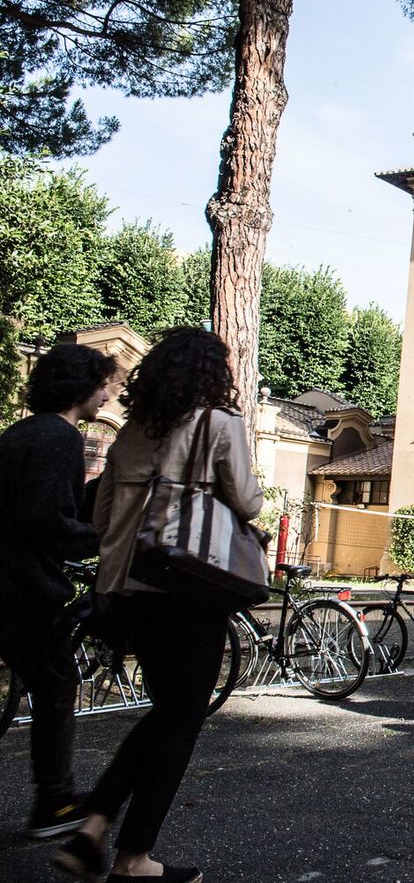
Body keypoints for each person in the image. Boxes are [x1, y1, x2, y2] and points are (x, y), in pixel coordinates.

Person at [55, 328, 263, 883]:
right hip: (188, 587)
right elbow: (248, 501)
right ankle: (132, 858)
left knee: (166, 712)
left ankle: (93, 828)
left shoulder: (130, 432)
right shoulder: (218, 423)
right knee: (182, 718)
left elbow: (102, 520)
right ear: (212, 373)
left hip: (125, 590)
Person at [0, 344, 116, 839]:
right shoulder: (60, 437)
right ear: (81, 387)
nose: (108, 396)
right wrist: (106, 539)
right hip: (21, 588)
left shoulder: (22, 433)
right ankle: (55, 802)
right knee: (55, 684)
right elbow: (45, 518)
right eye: (103, 385)